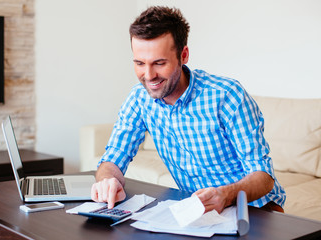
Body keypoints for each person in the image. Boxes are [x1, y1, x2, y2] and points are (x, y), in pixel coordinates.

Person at [91, 6, 286, 213]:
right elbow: (113, 158)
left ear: (183, 55)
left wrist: (225, 195)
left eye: (159, 63)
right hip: (199, 213)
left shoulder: (227, 95)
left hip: (257, 210)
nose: (148, 75)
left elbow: (264, 176)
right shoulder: (139, 98)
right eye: (139, 63)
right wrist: (107, 181)